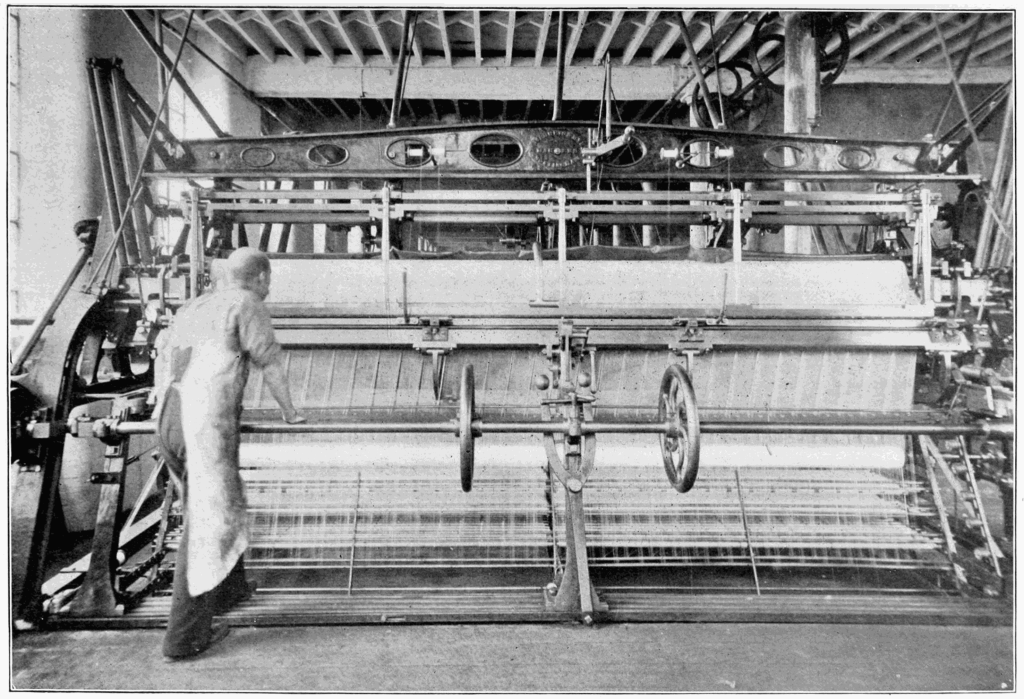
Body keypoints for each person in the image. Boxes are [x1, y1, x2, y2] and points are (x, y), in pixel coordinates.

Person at [154, 247, 305, 662]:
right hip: (204, 423)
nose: (268, 287)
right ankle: (184, 638)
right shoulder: (247, 302)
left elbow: (167, 359)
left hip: (169, 417)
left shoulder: (196, 305)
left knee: (217, 504)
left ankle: (228, 591)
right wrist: (290, 413)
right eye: (268, 280)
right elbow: (269, 363)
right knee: (207, 524)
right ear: (261, 277)